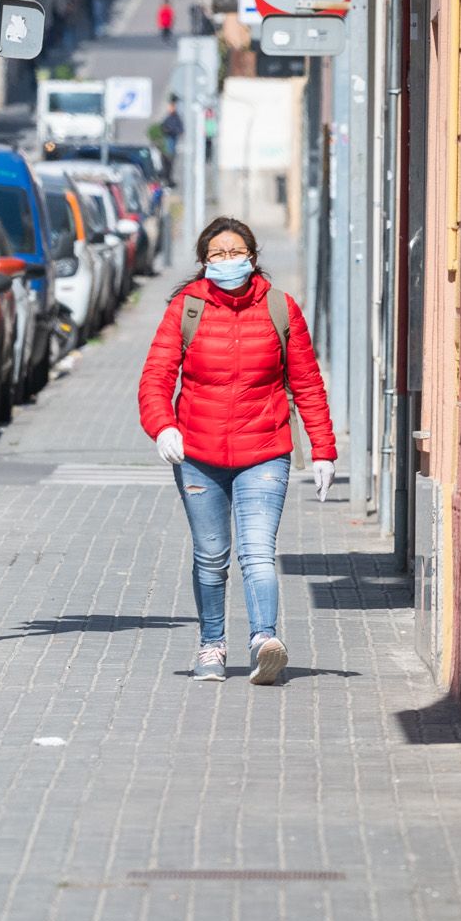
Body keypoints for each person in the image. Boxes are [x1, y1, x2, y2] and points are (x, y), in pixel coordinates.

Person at [137, 216, 337, 684]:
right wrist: (163, 427)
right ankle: (212, 646)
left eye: (236, 252)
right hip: (198, 454)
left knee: (257, 552)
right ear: (204, 262)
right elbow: (156, 376)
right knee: (211, 557)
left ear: (252, 256)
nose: (228, 261)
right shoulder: (186, 309)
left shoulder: (280, 308)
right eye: (217, 255)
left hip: (264, 450)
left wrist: (323, 449)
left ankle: (264, 641)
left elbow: (307, 383)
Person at [158, 95, 185, 180]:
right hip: (165, 146)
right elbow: (161, 127)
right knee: (165, 164)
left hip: (171, 146)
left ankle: (168, 179)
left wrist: (170, 130)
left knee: (169, 165)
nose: (170, 108)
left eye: (171, 106)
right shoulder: (168, 117)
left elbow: (180, 130)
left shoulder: (176, 118)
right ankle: (166, 179)